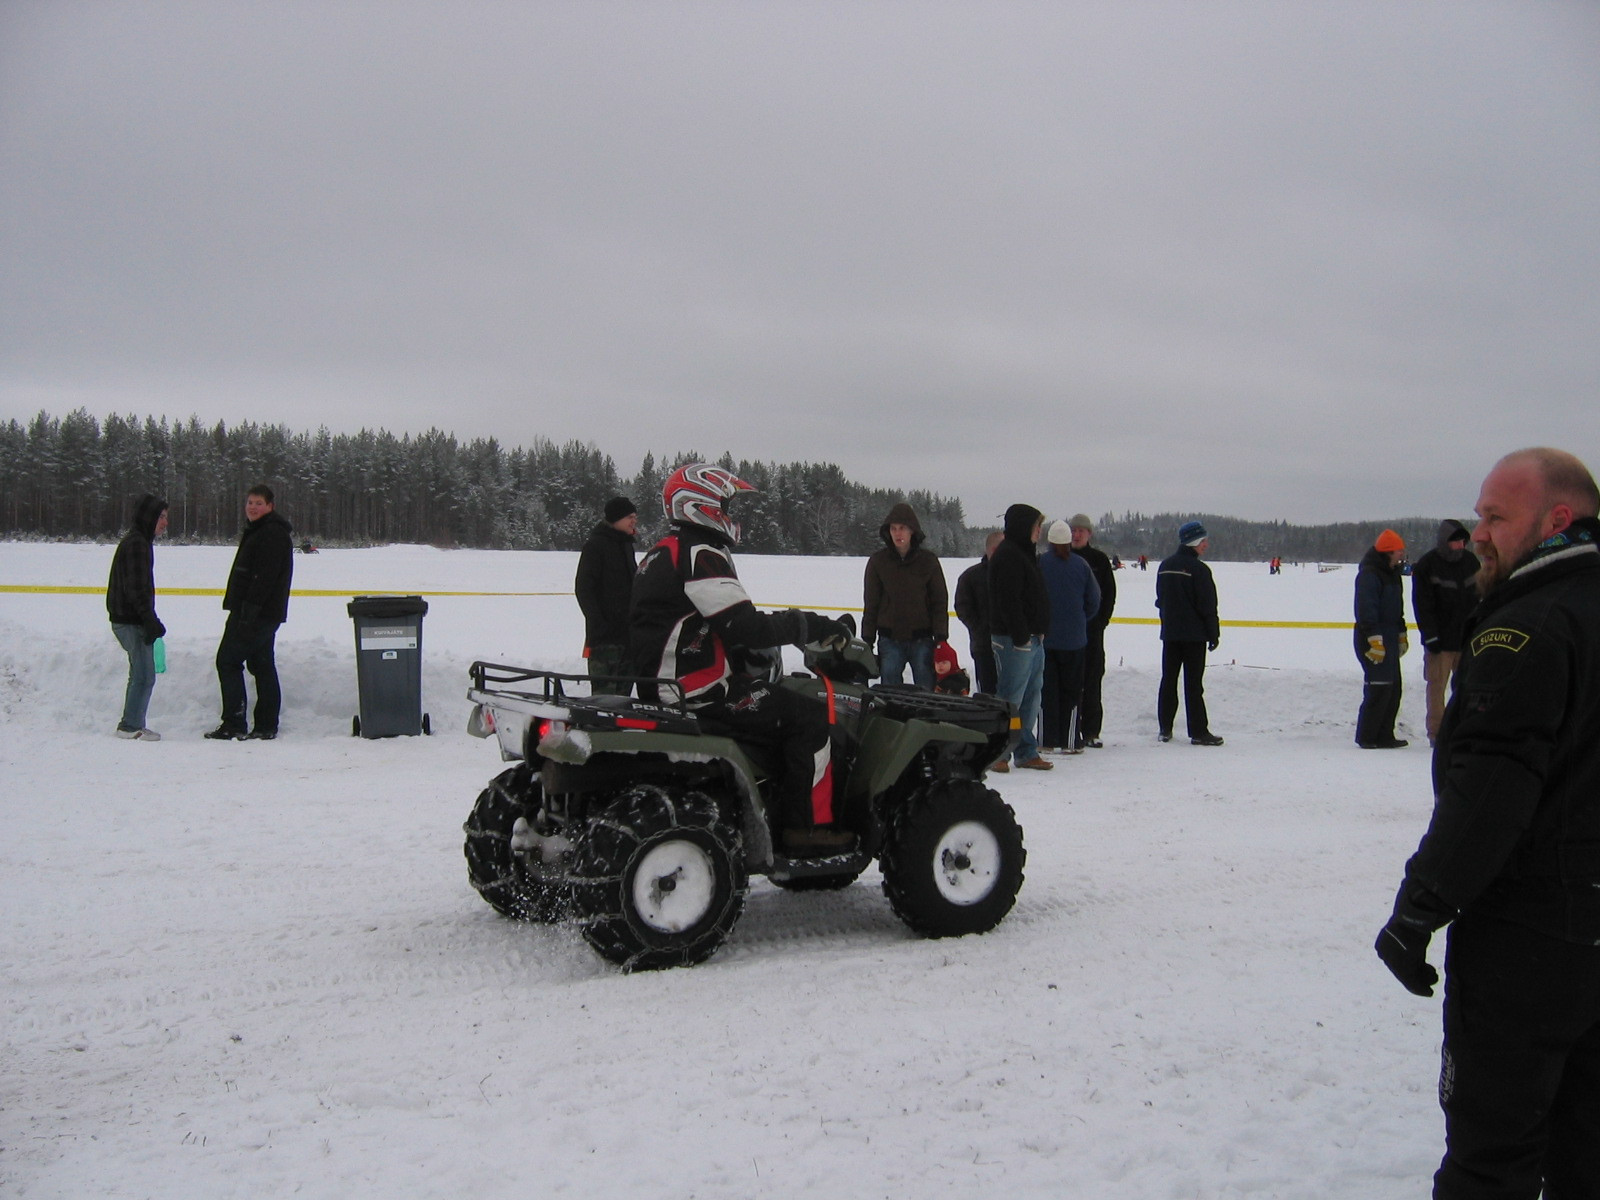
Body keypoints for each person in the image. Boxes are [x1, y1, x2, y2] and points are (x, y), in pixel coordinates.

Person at [1374, 447, 1600, 1198]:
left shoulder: (1531, 626)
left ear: (1556, 519)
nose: (1480, 533)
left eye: (1497, 517)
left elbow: (1492, 794)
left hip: (1531, 938)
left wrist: (1418, 910)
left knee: (1491, 1156)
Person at [630, 463, 851, 854]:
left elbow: (692, 622)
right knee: (812, 717)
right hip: (701, 690)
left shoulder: (659, 553)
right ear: (704, 504)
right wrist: (809, 626)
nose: (731, 515)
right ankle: (807, 830)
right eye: (727, 504)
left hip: (662, 685)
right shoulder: (701, 553)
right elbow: (745, 627)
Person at [206, 485, 294, 741]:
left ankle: (234, 723)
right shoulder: (260, 531)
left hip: (256, 613)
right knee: (261, 664)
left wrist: (249, 612)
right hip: (261, 613)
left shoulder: (271, 534)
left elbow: (264, 578)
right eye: (250, 503)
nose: (253, 507)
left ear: (270, 506)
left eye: (259, 503)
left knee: (228, 661)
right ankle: (266, 725)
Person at [987, 503, 1052, 772]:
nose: (1039, 532)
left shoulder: (1025, 554)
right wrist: (1021, 635)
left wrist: (1038, 630)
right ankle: (997, 753)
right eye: (1036, 526)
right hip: (1014, 641)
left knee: (1031, 698)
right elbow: (1008, 600)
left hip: (1033, 640)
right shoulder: (1008, 555)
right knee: (1010, 698)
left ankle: (1025, 751)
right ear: (1024, 526)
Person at [861, 502, 948, 689]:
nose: (898, 533)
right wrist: (867, 640)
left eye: (902, 528)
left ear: (912, 531)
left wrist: (941, 638)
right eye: (893, 528)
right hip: (889, 640)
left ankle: (924, 719)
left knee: (926, 693)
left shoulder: (929, 561)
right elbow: (871, 604)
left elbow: (939, 602)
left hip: (923, 640)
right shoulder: (878, 562)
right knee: (890, 694)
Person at [1410, 519, 1480, 746]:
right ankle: (1437, 734)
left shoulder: (1471, 562)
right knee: (1436, 688)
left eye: (1463, 541)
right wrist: (1430, 636)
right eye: (1457, 541)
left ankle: (1465, 729)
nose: (1461, 545)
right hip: (1439, 642)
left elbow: (1481, 597)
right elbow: (1422, 605)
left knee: (1468, 688)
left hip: (1467, 639)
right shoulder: (1427, 565)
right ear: (1446, 541)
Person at [105, 493, 169, 741]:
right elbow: (136, 588)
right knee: (144, 675)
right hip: (130, 620)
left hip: (130, 618)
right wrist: (148, 619)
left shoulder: (139, 541)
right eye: (161, 517)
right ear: (149, 517)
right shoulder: (137, 544)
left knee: (141, 673)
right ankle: (130, 726)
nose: (165, 523)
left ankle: (133, 723)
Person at [1155, 520, 1223, 746]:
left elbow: (1160, 599)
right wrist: (1213, 634)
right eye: (1203, 541)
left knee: (1168, 681)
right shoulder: (1199, 570)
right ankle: (1198, 731)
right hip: (1194, 637)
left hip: (1170, 634)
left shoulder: (1165, 565)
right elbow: (1207, 605)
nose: (1206, 545)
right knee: (1193, 684)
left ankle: (1165, 728)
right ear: (1194, 542)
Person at [1039, 520, 1101, 754]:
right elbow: (1094, 600)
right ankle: (1071, 741)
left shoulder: (1040, 564)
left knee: (1047, 691)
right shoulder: (1081, 565)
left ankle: (1046, 740)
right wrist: (1080, 620)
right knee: (1072, 692)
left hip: (1046, 640)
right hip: (1075, 640)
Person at [575, 496, 639, 695]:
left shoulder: (627, 546)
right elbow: (584, 589)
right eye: (629, 517)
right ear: (616, 518)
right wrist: (599, 623)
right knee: (604, 698)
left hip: (627, 637)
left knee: (623, 697)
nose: (634, 521)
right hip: (604, 641)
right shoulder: (595, 546)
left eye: (635, 516)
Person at [1354, 529, 1409, 749]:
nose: (1402, 554)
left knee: (1393, 687)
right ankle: (1367, 736)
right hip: (1372, 636)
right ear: (1388, 552)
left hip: (1390, 635)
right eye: (1398, 550)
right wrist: (1374, 640)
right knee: (1379, 686)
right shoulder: (1369, 574)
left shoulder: (1392, 573)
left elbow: (1398, 608)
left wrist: (1401, 633)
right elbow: (1366, 609)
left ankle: (1385, 734)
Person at [1069, 513, 1116, 748]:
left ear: (1089, 534)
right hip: (1066, 634)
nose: (1076, 535)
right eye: (1073, 530)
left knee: (1093, 679)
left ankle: (1091, 731)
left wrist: (1101, 621)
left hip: (1092, 632)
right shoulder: (1060, 557)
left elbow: (1109, 594)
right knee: (1070, 682)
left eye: (1081, 531)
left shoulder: (1099, 560)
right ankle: (1069, 729)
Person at [954, 530, 1003, 694]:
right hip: (983, 647)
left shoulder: (1014, 574)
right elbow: (962, 607)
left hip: (1011, 648)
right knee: (987, 696)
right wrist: (980, 628)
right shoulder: (970, 577)